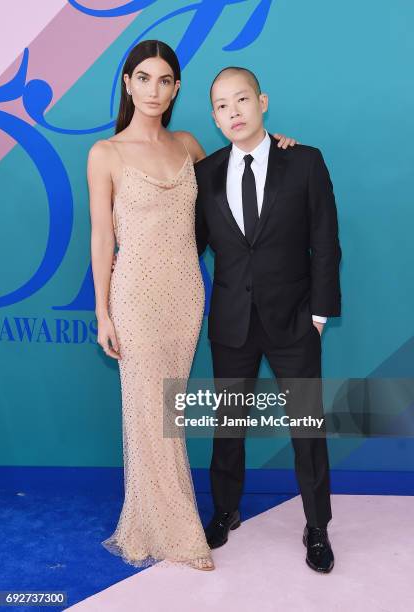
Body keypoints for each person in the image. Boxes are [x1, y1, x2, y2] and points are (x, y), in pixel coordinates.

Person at [89, 39, 297, 571]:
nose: (153, 90)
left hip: (185, 293)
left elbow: (239, 180)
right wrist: (103, 313)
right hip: (133, 295)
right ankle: (170, 527)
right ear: (128, 83)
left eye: (164, 81)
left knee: (169, 410)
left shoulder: (190, 145)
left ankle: (163, 517)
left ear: (176, 88)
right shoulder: (105, 153)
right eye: (144, 79)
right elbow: (101, 238)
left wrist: (279, 151)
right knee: (147, 410)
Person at [195, 67, 341, 573]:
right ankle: (225, 511)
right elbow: (191, 245)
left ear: (262, 102)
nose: (232, 112)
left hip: (295, 320)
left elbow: (324, 241)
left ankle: (317, 526)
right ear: (213, 115)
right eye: (220, 105)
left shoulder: (302, 161)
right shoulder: (205, 173)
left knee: (306, 426)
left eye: (241, 100)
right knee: (228, 424)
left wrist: (319, 314)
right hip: (232, 321)